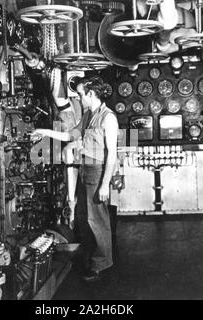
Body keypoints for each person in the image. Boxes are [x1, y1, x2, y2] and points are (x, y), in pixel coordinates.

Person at [31, 76, 119, 282]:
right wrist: (43, 132)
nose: (78, 99)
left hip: (97, 171)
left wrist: (105, 184)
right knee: (84, 217)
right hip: (85, 170)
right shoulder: (89, 115)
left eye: (80, 94)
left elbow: (112, 155)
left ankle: (101, 263)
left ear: (91, 94)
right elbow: (70, 135)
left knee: (96, 220)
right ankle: (92, 259)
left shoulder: (108, 118)